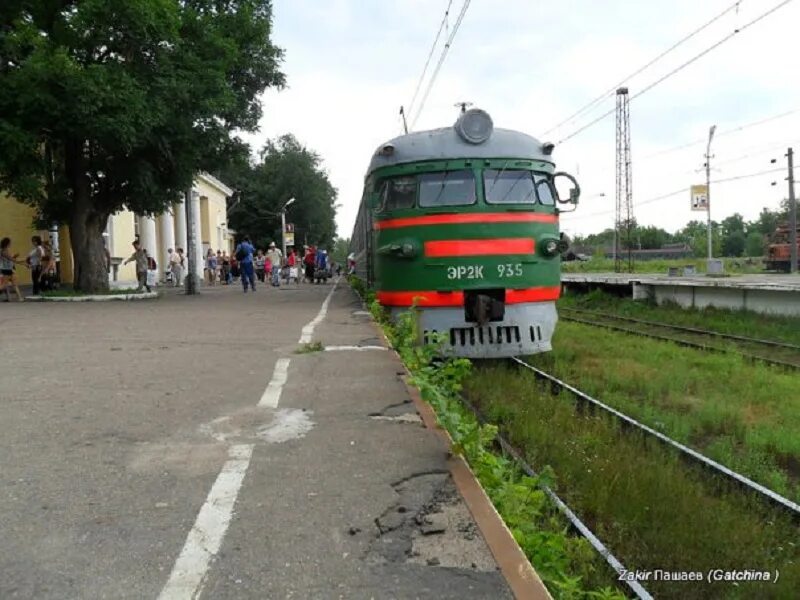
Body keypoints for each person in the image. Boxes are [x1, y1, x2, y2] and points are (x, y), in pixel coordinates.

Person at [0, 237, 24, 302]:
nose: (11, 244)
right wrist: (24, 262)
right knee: (4, 285)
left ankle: (19, 298)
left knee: (14, 284)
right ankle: (19, 298)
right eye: (10, 243)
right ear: (7, 243)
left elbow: (11, 258)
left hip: (9, 269)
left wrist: (15, 256)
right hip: (6, 269)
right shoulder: (4, 251)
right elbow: (11, 259)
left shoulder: (5, 250)